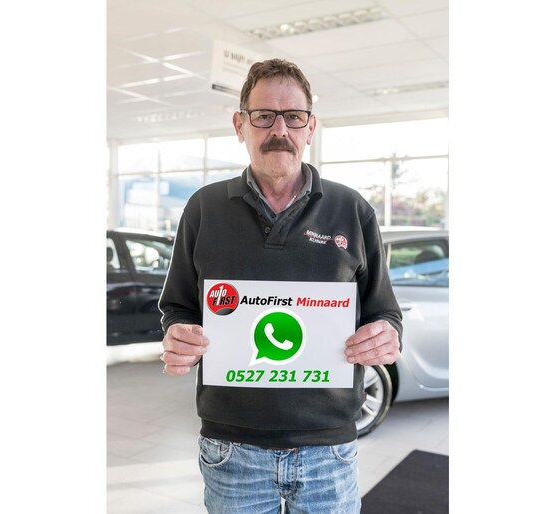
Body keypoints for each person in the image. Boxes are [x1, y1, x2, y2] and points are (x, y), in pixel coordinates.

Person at [159, 58, 402, 514]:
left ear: (310, 127)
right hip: (232, 450)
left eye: (293, 116)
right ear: (240, 125)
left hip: (328, 452)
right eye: (264, 115)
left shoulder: (352, 210)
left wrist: (386, 336)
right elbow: (178, 307)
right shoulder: (204, 210)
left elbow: (384, 312)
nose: (279, 129)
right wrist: (177, 334)